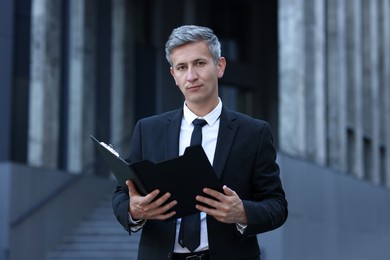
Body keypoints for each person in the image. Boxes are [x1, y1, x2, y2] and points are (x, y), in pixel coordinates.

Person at [112, 25, 287, 260]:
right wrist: (134, 210)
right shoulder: (148, 130)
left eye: (200, 63)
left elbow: (277, 205)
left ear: (220, 66)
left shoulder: (254, 132)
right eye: (182, 67)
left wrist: (242, 212)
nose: (191, 76)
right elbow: (122, 194)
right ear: (173, 75)